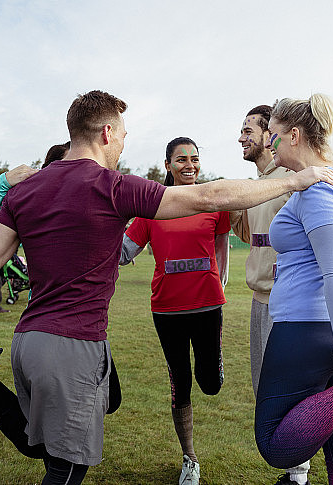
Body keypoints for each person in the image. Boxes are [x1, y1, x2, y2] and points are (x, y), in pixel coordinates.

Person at [0, 90, 333, 485]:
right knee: (64, 467)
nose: (122, 143)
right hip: (72, 346)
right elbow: (208, 196)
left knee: (81, 415)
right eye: (122, 134)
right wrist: (293, 181)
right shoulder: (112, 187)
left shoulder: (25, 190)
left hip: (29, 341)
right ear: (105, 134)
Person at [253, 93, 333, 484]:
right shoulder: (326, 180)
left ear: (294, 135)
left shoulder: (320, 189)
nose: (267, 143)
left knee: (276, 445)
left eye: (272, 136)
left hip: (310, 331)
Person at [119, 137, 231, 485]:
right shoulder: (153, 205)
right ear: (167, 165)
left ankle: (213, 364)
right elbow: (124, 251)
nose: (189, 165)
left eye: (194, 159)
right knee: (180, 383)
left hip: (208, 305)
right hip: (167, 310)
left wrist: (220, 281)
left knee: (209, 384)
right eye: (181, 159)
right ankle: (190, 458)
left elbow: (221, 243)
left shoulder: (214, 201)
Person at [230, 105, 314, 485]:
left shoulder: (290, 179)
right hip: (258, 300)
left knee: (287, 390)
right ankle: (294, 470)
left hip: (287, 306)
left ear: (270, 135)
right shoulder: (259, 183)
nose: (241, 138)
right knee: (265, 388)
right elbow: (253, 239)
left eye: (249, 130)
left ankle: (297, 475)